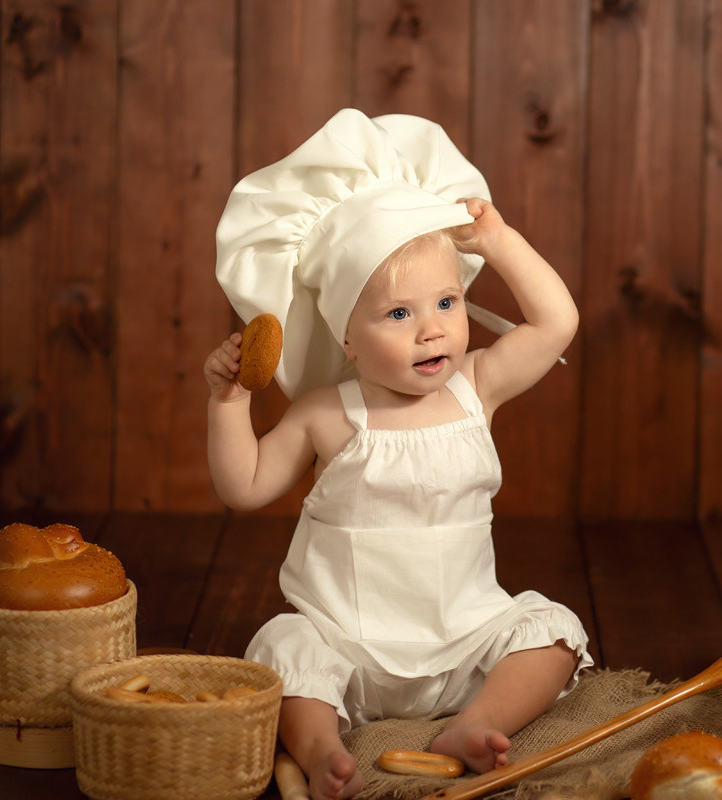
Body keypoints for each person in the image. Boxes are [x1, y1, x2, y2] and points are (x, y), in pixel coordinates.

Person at [204, 109, 593, 800]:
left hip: (466, 641)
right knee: (281, 646)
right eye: (398, 314)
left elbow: (557, 321)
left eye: (447, 301)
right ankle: (324, 747)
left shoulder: (477, 387)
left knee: (554, 632)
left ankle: (476, 722)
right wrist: (230, 405)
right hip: (347, 653)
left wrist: (499, 241)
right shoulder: (329, 412)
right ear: (346, 338)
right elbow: (246, 486)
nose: (432, 329)